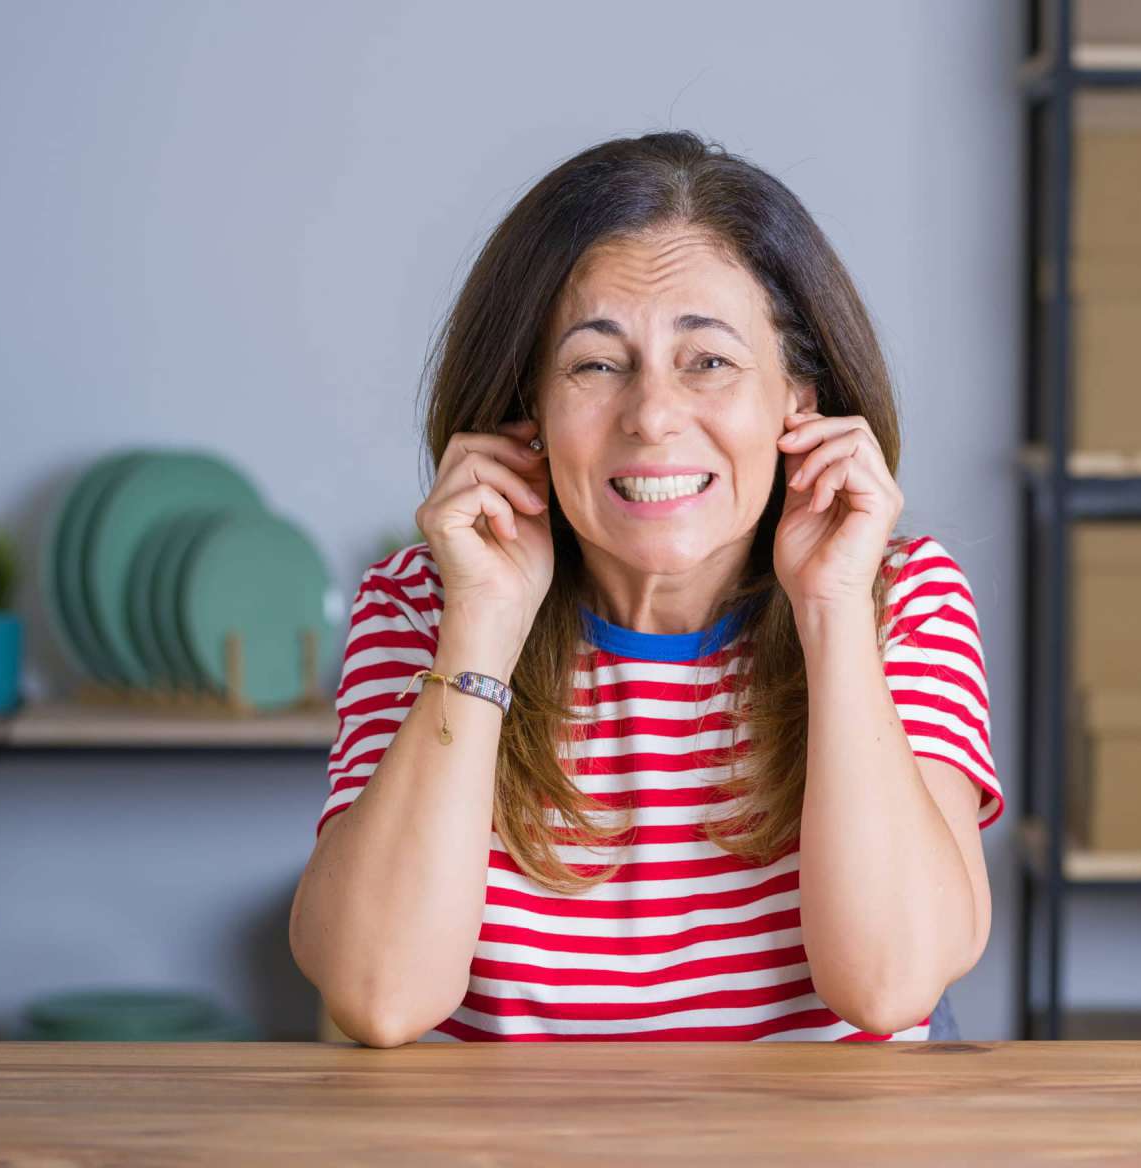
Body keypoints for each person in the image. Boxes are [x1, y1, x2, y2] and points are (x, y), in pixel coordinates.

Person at [288, 132, 1001, 1045]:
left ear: (799, 399)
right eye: (595, 364)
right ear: (529, 409)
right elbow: (379, 997)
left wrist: (830, 612)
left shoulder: (900, 599)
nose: (654, 416)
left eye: (708, 361)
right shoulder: (423, 605)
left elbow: (890, 987)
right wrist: (482, 628)